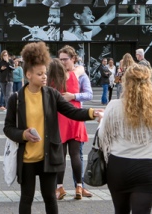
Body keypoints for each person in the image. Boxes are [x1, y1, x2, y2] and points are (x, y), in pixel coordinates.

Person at [3, 41, 101, 214]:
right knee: (27, 198)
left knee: (50, 197)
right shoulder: (16, 98)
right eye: (39, 74)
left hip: (48, 157)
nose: (44, 77)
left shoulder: (51, 95)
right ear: (28, 75)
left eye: (45, 73)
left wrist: (92, 113)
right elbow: (8, 128)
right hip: (26, 159)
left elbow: (72, 111)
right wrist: (23, 134)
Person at [99, 64, 152, 214]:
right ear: (149, 83)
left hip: (118, 166)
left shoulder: (113, 106)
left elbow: (102, 136)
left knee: (120, 211)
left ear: (125, 83)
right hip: (145, 167)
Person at [49, 46, 92, 201]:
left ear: (73, 58)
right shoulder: (75, 73)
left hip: (65, 118)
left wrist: (73, 95)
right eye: (60, 59)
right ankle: (78, 186)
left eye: (65, 59)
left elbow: (89, 94)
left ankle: (62, 187)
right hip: (74, 117)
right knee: (74, 155)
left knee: (68, 155)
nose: (62, 62)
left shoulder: (58, 76)